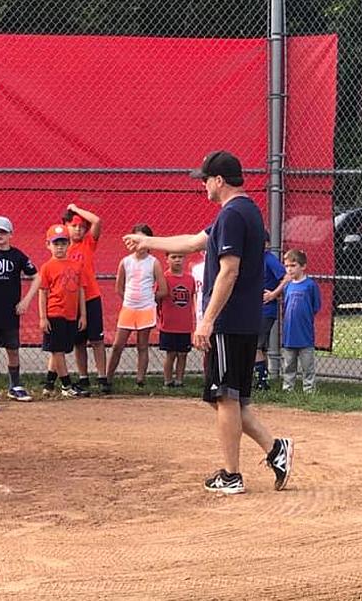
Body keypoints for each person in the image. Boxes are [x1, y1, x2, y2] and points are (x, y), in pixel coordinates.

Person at [123, 150, 293, 495]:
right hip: (242, 320)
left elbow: (228, 271)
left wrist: (207, 321)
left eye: (205, 179)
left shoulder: (232, 215)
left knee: (225, 397)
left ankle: (231, 475)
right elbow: (192, 242)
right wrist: (148, 242)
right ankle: (276, 450)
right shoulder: (241, 211)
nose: (202, 185)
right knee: (231, 399)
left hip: (229, 321)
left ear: (219, 180)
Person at [0, 216, 41, 402]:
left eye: (3, 232)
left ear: (10, 234)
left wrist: (26, 301)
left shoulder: (17, 256)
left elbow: (37, 276)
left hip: (10, 311)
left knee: (12, 349)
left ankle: (14, 385)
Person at [106, 223, 167, 389]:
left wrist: (149, 299)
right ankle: (107, 378)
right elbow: (119, 287)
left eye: (144, 240)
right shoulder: (125, 262)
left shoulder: (153, 262)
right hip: (129, 308)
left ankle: (140, 380)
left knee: (142, 345)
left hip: (146, 309)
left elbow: (163, 289)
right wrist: (129, 299)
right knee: (118, 345)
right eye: (137, 240)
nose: (140, 244)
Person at [64, 203, 110, 394]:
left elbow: (97, 221)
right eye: (74, 225)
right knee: (79, 341)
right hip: (73, 300)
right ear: (66, 226)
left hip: (91, 297)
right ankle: (83, 377)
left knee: (97, 340)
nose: (78, 230)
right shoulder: (62, 247)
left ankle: (102, 376)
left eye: (82, 227)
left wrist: (75, 208)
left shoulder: (88, 243)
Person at [38, 224, 87, 398]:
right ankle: (66, 385)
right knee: (57, 351)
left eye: (63, 243)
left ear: (69, 244)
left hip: (71, 314)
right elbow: (42, 292)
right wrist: (43, 317)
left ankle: (49, 383)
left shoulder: (76, 265)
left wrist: (83, 315)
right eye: (55, 243)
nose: (59, 247)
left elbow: (81, 290)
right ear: (48, 245)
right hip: (55, 313)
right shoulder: (47, 267)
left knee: (58, 350)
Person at [280, 249, 322, 394]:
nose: (289, 269)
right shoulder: (288, 286)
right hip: (289, 335)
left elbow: (315, 306)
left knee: (307, 366)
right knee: (288, 365)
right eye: (287, 266)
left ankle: (309, 390)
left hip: (305, 335)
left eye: (293, 265)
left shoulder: (310, 285)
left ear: (303, 266)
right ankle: (288, 389)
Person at [158, 251, 195, 387]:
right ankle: (168, 381)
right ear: (166, 259)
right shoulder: (163, 278)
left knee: (183, 354)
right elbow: (158, 299)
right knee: (171, 354)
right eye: (174, 257)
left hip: (184, 325)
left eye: (180, 257)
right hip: (169, 324)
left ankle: (179, 380)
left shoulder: (189, 279)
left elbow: (192, 297)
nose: (177, 260)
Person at [255, 232, 286, 390]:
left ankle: (261, 381)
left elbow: (286, 277)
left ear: (267, 244)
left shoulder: (269, 259)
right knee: (261, 347)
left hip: (265, 310)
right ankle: (263, 379)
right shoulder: (252, 259)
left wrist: (274, 294)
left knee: (255, 346)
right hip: (255, 310)